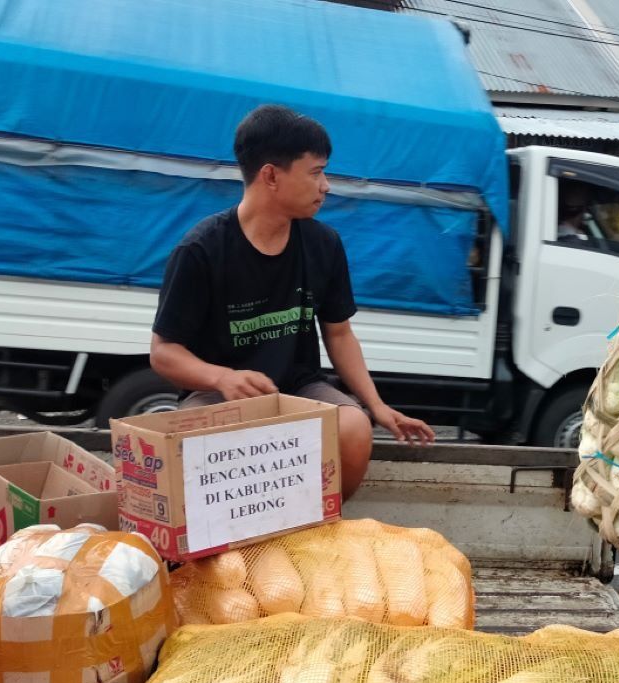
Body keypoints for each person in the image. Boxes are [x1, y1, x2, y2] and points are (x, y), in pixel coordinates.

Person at [149, 105, 435, 500]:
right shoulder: (201, 250)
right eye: (315, 172)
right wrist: (222, 378)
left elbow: (339, 333)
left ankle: (317, 532)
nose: (326, 185)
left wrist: (377, 407)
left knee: (354, 427)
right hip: (220, 396)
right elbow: (164, 353)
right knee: (197, 440)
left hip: (300, 389)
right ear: (270, 175)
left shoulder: (324, 244)